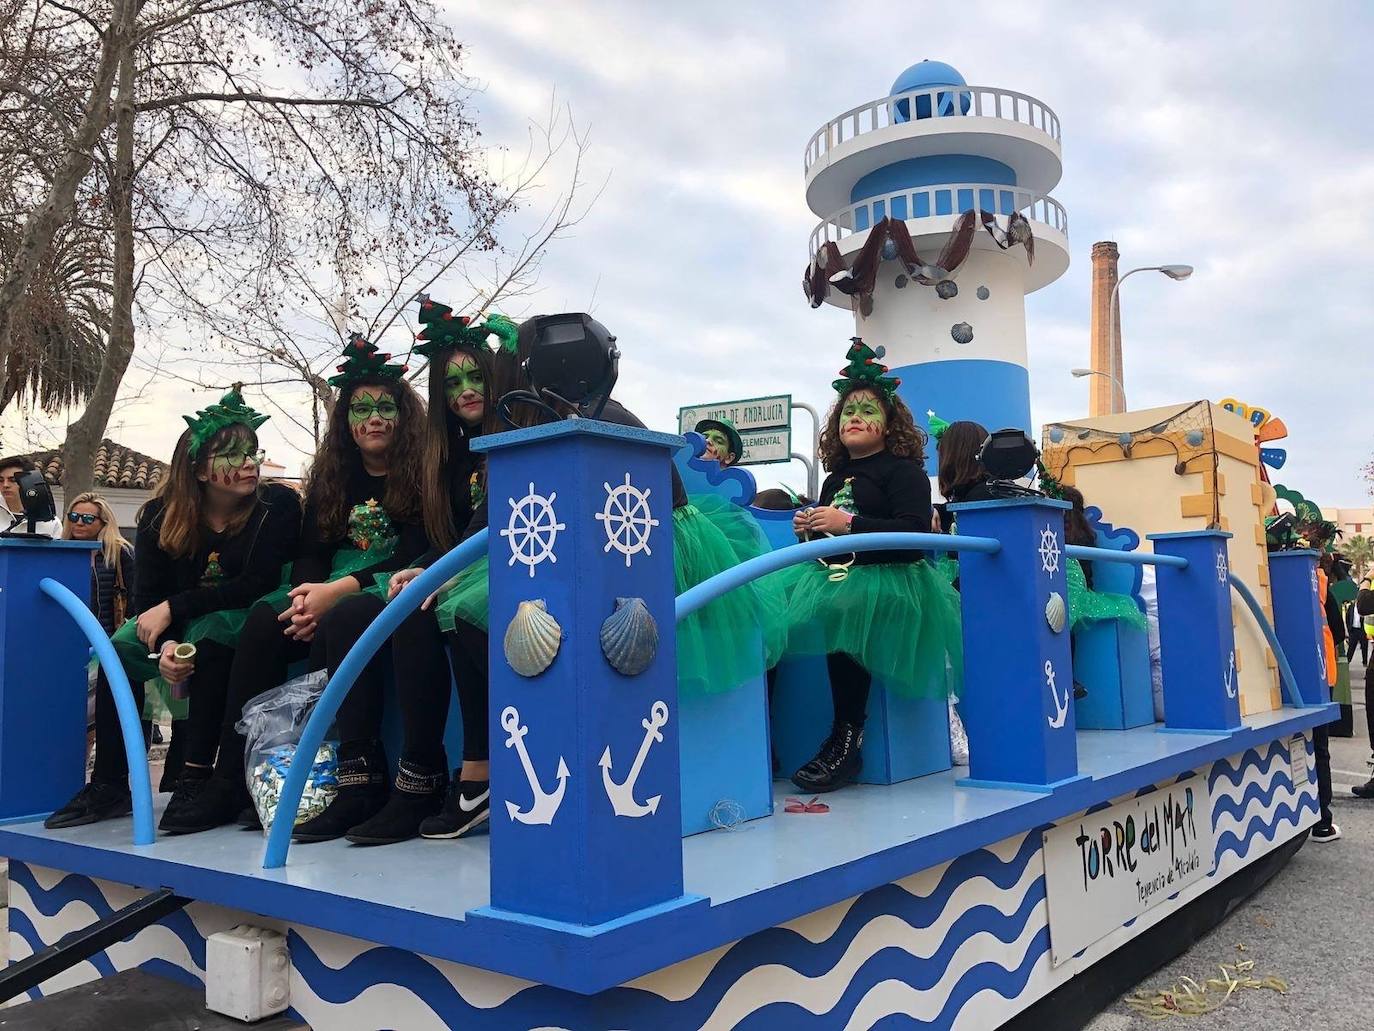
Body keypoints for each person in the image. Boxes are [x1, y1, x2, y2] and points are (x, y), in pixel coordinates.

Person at [163, 337, 431, 835]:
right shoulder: (333, 475)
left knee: (349, 617)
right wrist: (306, 595)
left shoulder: (424, 473)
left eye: (384, 407)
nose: (373, 418)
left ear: (404, 416)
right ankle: (235, 777)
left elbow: (416, 546)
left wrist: (336, 592)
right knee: (266, 619)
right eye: (360, 409)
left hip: (389, 578)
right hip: (328, 581)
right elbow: (313, 548)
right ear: (346, 422)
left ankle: (352, 777)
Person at [300, 301, 518, 845]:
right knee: (380, 613)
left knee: (436, 611)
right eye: (452, 382)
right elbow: (444, 533)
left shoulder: (520, 429)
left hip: (521, 564)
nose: (466, 389)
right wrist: (422, 569)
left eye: (476, 376)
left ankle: (453, 774)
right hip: (460, 565)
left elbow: (496, 522)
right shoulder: (444, 457)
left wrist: (429, 571)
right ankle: (365, 783)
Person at [45, 387, 301, 830]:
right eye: (233, 454)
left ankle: (196, 776)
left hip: (243, 612)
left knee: (210, 638)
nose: (249, 463)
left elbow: (255, 583)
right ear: (199, 469)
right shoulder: (159, 515)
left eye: (253, 452)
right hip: (176, 618)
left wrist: (174, 609)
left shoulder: (276, 506)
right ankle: (109, 782)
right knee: (116, 652)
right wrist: (162, 646)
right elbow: (146, 598)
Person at [770, 338, 962, 792]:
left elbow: (913, 536)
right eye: (847, 412)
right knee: (769, 608)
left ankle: (846, 738)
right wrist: (812, 528)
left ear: (889, 423)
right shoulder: (836, 476)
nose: (854, 417)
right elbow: (833, 536)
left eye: (867, 411)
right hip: (835, 574)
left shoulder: (904, 472)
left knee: (847, 608)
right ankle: (767, 735)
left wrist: (847, 522)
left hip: (892, 581)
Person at [63, 492, 135, 755]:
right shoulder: (62, 555)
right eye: (74, 517)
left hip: (108, 646)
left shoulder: (120, 553)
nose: (79, 523)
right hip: (70, 646)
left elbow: (135, 598)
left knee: (97, 717)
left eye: (87, 518)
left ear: (103, 522)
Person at [0, 455, 61, 537]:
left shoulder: (51, 523)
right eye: (1, 480)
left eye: (13, 480)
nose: (5, 485)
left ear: (28, 481)